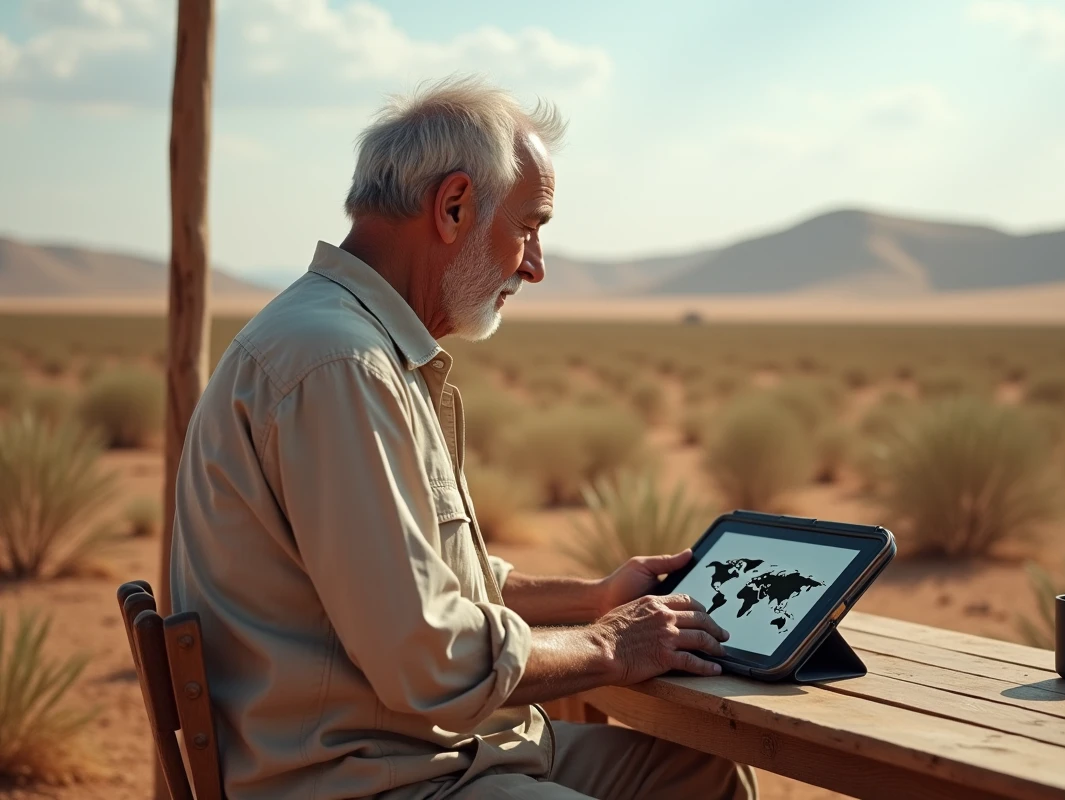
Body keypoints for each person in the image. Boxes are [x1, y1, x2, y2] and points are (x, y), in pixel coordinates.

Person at [170, 75, 757, 800]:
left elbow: (428, 584)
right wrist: (611, 644)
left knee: (703, 776)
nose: (535, 267)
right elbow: (427, 658)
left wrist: (594, 599)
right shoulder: (339, 365)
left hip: (441, 752)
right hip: (365, 778)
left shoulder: (361, 346)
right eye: (529, 227)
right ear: (452, 207)